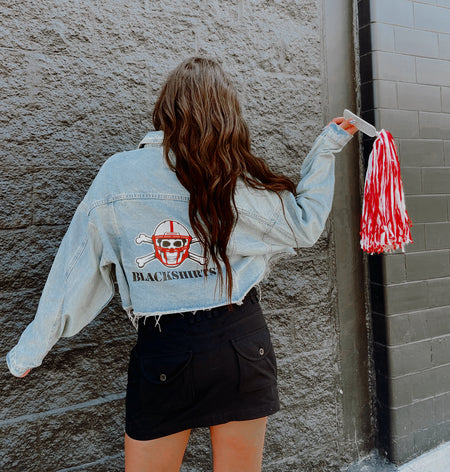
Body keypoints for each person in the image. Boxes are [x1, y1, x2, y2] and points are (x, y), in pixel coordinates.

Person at [6, 56, 358, 472]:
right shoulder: (232, 178)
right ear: (227, 115)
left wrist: (30, 350)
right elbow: (304, 224)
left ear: (165, 109)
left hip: (165, 350)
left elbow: (78, 265)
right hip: (241, 344)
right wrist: (327, 145)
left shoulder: (120, 175)